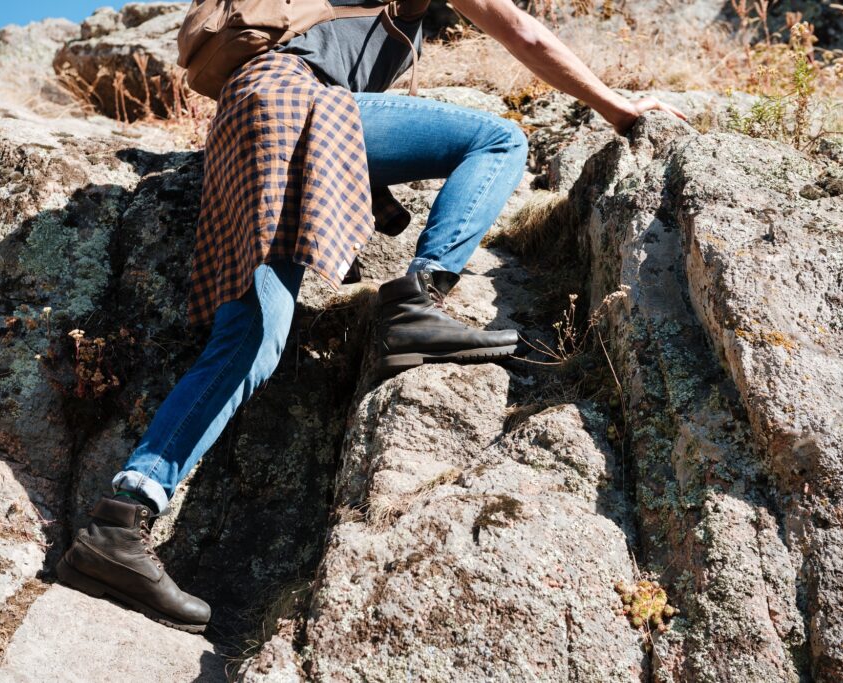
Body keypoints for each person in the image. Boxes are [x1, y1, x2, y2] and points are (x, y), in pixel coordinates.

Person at [56, 0, 687, 633]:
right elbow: (520, 30)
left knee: (252, 339)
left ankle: (119, 520)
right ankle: (417, 299)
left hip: (240, 126)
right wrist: (620, 107)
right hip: (294, 101)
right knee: (498, 140)